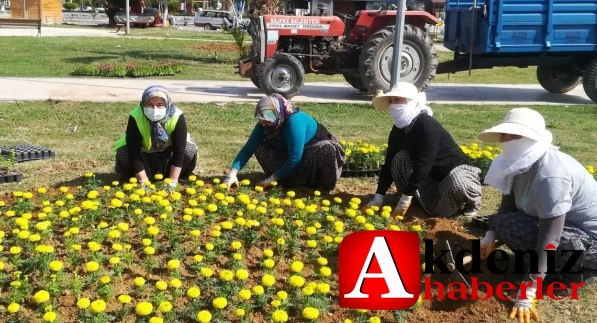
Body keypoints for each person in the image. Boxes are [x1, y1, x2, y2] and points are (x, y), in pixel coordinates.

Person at [477, 108, 597, 322]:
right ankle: (543, 266)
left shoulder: (550, 175)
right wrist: (490, 236)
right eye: (504, 135)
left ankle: (578, 271)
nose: (504, 140)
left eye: (513, 135)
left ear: (531, 139)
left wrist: (529, 290)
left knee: (563, 247)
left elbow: (550, 239)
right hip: (563, 227)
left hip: (589, 239)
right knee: (506, 224)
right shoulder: (517, 163)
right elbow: (507, 206)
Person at [365, 82, 482, 218]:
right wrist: (379, 196)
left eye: (398, 100)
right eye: (390, 101)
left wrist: (405, 199)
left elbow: (424, 162)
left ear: (411, 102)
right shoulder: (399, 129)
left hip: (452, 173)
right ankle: (413, 196)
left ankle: (472, 202)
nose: (393, 105)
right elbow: (389, 160)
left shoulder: (426, 124)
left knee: (457, 183)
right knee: (399, 158)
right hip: (430, 177)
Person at [223, 93, 346, 193]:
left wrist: (271, 179)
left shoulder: (294, 122)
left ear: (277, 114)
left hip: (311, 158)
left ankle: (323, 186)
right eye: (261, 121)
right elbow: (247, 149)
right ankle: (284, 179)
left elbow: (295, 158)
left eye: (267, 121)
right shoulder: (265, 124)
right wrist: (233, 173)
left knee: (327, 149)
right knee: (259, 146)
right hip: (290, 158)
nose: (264, 124)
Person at [113, 85, 198, 189]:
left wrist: (172, 182)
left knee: (188, 150)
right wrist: (144, 182)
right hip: (144, 155)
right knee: (123, 153)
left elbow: (178, 151)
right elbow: (133, 152)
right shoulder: (136, 116)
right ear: (143, 103)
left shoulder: (177, 116)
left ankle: (175, 175)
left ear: (167, 105)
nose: (154, 109)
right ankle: (134, 176)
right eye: (149, 104)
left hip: (167, 156)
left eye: (160, 105)